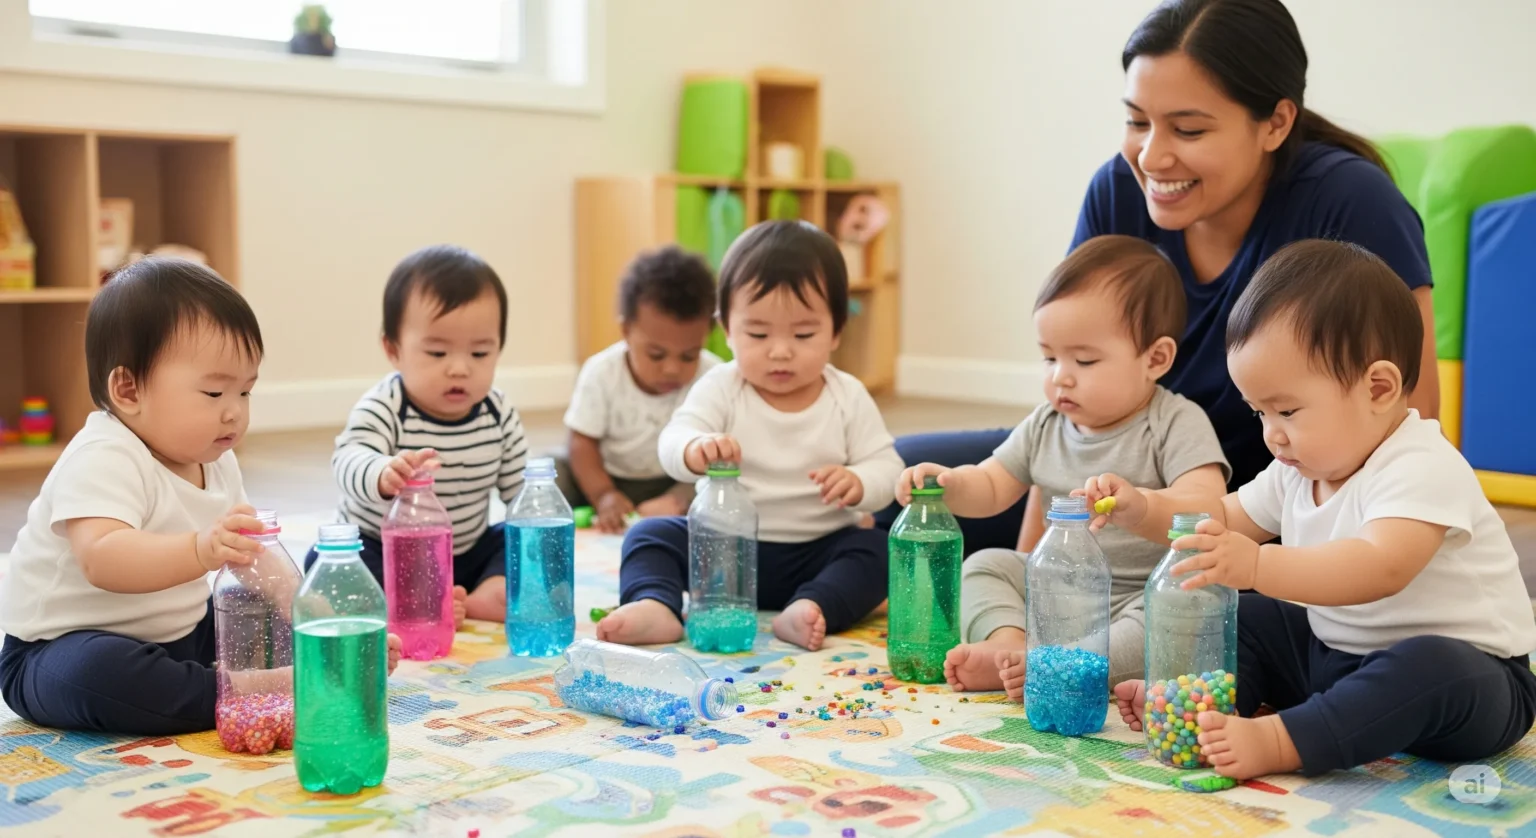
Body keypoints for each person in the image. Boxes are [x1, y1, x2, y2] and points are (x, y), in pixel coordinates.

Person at [877, 0, 1438, 555]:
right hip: (1113, 483)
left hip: (1271, 502)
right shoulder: (1118, 192)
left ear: (1275, 122)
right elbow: (1068, 413)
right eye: (1136, 121)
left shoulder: (1350, 204)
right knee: (893, 483)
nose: (1150, 157)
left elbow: (1408, 419)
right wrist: (1038, 567)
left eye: (1188, 130)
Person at [1092, 241, 1536, 779]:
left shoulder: (1421, 464)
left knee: (1432, 664)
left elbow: (1381, 566)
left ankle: (1283, 741)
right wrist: (1144, 507)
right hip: (1340, 659)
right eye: (1259, 412)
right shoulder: (1298, 469)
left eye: (1287, 410)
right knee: (1250, 617)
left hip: (1475, 688)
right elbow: (1218, 519)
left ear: (1378, 387)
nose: (1271, 434)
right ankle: (1209, 710)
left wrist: (1257, 567)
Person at [0, 259, 401, 735]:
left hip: (182, 634)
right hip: (58, 649)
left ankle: (313, 664)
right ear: (128, 389)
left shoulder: (215, 459)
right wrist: (199, 550)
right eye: (214, 393)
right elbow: (102, 557)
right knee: (100, 675)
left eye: (246, 392)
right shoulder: (103, 454)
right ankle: (256, 688)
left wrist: (323, 623)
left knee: (250, 610)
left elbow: (260, 564)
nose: (234, 414)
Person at [894, 236, 1228, 697]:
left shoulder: (1175, 422)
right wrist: (950, 485)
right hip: (1055, 589)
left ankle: (1056, 666)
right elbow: (992, 485)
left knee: (1183, 610)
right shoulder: (1046, 423)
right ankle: (1012, 648)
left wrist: (1142, 503)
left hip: (1138, 597)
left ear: (1156, 359)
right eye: (1049, 357)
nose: (1060, 376)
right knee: (985, 565)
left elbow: (1208, 505)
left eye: (1084, 360)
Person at [597, 221, 904, 651]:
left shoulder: (846, 395)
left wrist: (860, 483)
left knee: (878, 550)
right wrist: (693, 448)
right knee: (650, 535)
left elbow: (888, 467)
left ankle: (812, 607)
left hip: (817, 551)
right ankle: (656, 604)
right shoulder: (723, 386)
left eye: (803, 334)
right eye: (758, 334)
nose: (780, 350)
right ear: (726, 330)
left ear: (836, 330)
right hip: (720, 553)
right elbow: (673, 439)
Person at [316, 245, 527, 623]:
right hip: (387, 548)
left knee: (517, 539)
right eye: (437, 353)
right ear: (393, 350)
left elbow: (520, 492)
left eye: (480, 354)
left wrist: (534, 515)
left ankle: (483, 593)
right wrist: (382, 472)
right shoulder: (387, 405)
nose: (460, 368)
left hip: (463, 553)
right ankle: (412, 603)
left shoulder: (498, 412)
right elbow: (348, 457)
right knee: (334, 562)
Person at [556, 246, 721, 532]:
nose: (671, 368)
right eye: (656, 355)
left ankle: (675, 508)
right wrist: (603, 494)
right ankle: (601, 509)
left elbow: (716, 449)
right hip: (608, 476)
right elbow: (582, 442)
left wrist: (679, 496)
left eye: (688, 356)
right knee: (551, 471)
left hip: (677, 479)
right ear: (626, 331)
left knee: (725, 475)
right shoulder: (602, 372)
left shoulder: (714, 376)